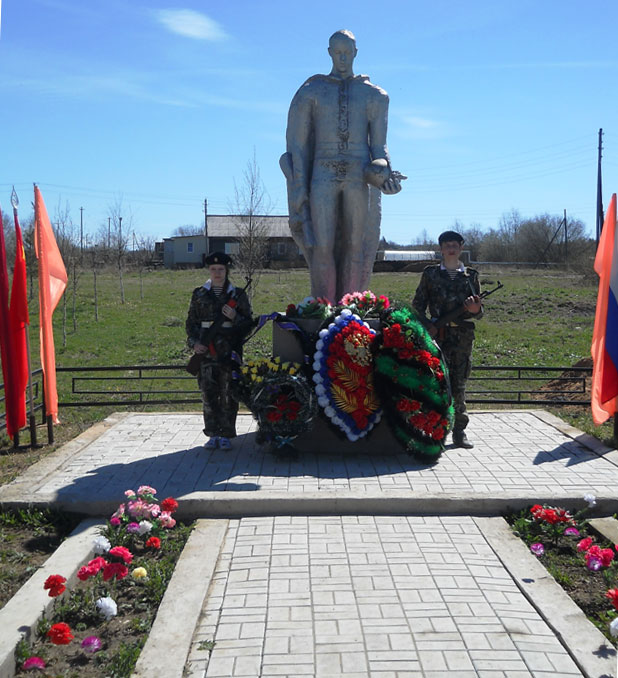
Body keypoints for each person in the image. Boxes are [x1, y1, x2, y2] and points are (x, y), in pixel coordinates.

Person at [281, 29, 403, 302]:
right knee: (321, 245)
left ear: (356, 53)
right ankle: (324, 307)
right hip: (322, 171)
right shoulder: (312, 91)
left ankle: (351, 308)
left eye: (348, 52)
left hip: (358, 173)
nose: (343, 58)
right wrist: (298, 187)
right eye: (338, 53)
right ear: (329, 53)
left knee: (356, 245)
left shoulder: (375, 95)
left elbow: (379, 148)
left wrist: (384, 173)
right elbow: (297, 145)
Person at [412, 231, 482, 449]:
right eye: (447, 245)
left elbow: (478, 311)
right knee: (436, 382)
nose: (451, 249)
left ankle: (459, 431)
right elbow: (417, 306)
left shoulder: (470, 276)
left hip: (462, 338)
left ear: (461, 248)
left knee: (459, 384)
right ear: (441, 249)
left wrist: (475, 309)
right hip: (437, 337)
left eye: (455, 245)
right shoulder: (431, 274)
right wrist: (428, 326)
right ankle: (435, 430)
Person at [185, 252, 252, 450]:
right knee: (208, 394)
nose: (217, 273)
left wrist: (234, 316)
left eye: (221, 269)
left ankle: (226, 435)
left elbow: (249, 324)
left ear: (226, 270)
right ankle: (212, 433)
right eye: (213, 269)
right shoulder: (199, 294)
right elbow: (191, 324)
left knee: (229, 394)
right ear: (209, 270)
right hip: (206, 352)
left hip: (229, 352)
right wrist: (195, 344)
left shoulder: (237, 295)